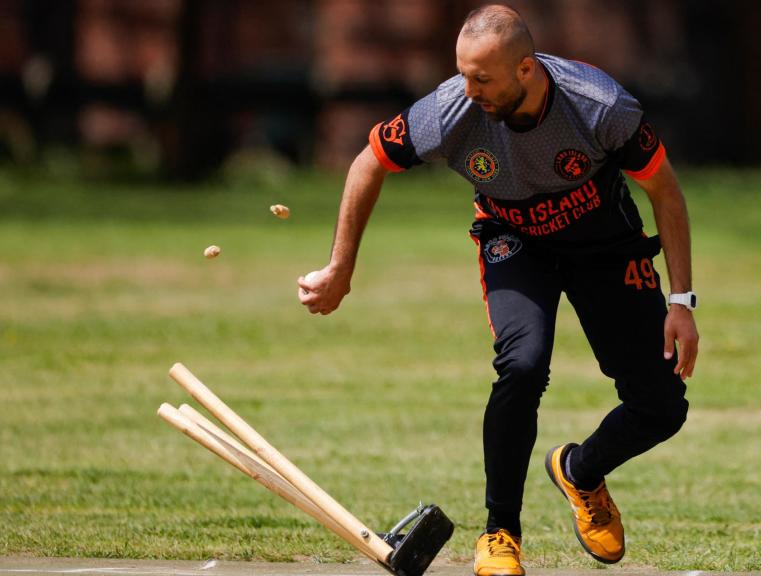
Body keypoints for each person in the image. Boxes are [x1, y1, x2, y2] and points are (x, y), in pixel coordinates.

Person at [298, 4, 699, 573]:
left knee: (661, 406)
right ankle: (500, 533)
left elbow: (665, 190)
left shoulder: (600, 106)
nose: (469, 89)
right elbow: (369, 161)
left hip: (604, 247)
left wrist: (681, 302)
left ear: (527, 70)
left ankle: (580, 471)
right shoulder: (448, 110)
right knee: (523, 366)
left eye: (483, 78)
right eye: (462, 73)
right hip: (516, 242)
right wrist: (340, 268)